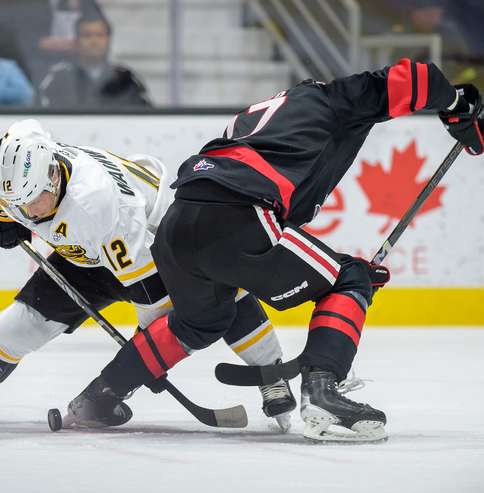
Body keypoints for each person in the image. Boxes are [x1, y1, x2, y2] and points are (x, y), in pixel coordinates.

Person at [60, 59, 484, 442]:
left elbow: (280, 216)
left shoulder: (258, 119)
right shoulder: (333, 98)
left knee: (200, 322)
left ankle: (99, 396)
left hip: (179, 224)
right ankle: (322, 391)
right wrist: (459, 104)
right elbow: (418, 77)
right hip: (238, 214)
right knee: (349, 278)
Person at [0, 119, 297, 431]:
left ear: (54, 177)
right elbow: (23, 136)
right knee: (24, 324)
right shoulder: (31, 157)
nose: (28, 211)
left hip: (160, 243)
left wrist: (142, 363)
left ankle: (273, 375)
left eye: (34, 201)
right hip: (91, 250)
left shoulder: (94, 206)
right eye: (19, 203)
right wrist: (0, 211)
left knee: (220, 295)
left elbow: (151, 298)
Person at [39, 15, 150, 108]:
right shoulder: (60, 78)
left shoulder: (126, 79)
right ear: (76, 41)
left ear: (109, 40)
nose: (94, 41)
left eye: (100, 35)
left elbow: (143, 115)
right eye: (87, 35)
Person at [0, 0, 104, 86]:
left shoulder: (88, 3)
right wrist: (38, 43)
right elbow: (8, 34)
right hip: (34, 63)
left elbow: (101, 31)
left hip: (79, 64)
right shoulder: (24, 4)